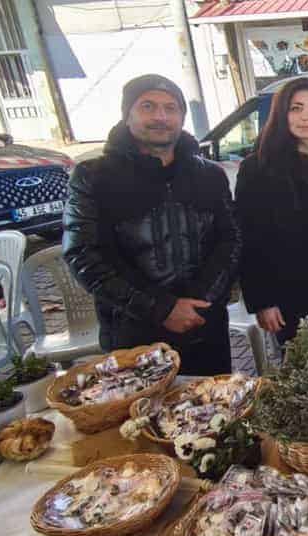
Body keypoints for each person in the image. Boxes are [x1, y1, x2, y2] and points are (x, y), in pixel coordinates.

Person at [63, 74, 240, 375]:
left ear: (182, 117)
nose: (161, 117)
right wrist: (162, 309)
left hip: (205, 327)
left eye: (171, 108)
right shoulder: (94, 176)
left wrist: (199, 301)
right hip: (133, 335)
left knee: (218, 412)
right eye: (148, 106)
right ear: (127, 114)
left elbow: (231, 240)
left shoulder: (209, 175)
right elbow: (83, 254)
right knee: (141, 420)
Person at [235, 77, 308, 347]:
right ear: (281, 115)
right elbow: (248, 239)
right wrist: (262, 301)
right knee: (303, 369)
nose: (306, 117)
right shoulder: (258, 168)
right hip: (287, 295)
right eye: (296, 108)